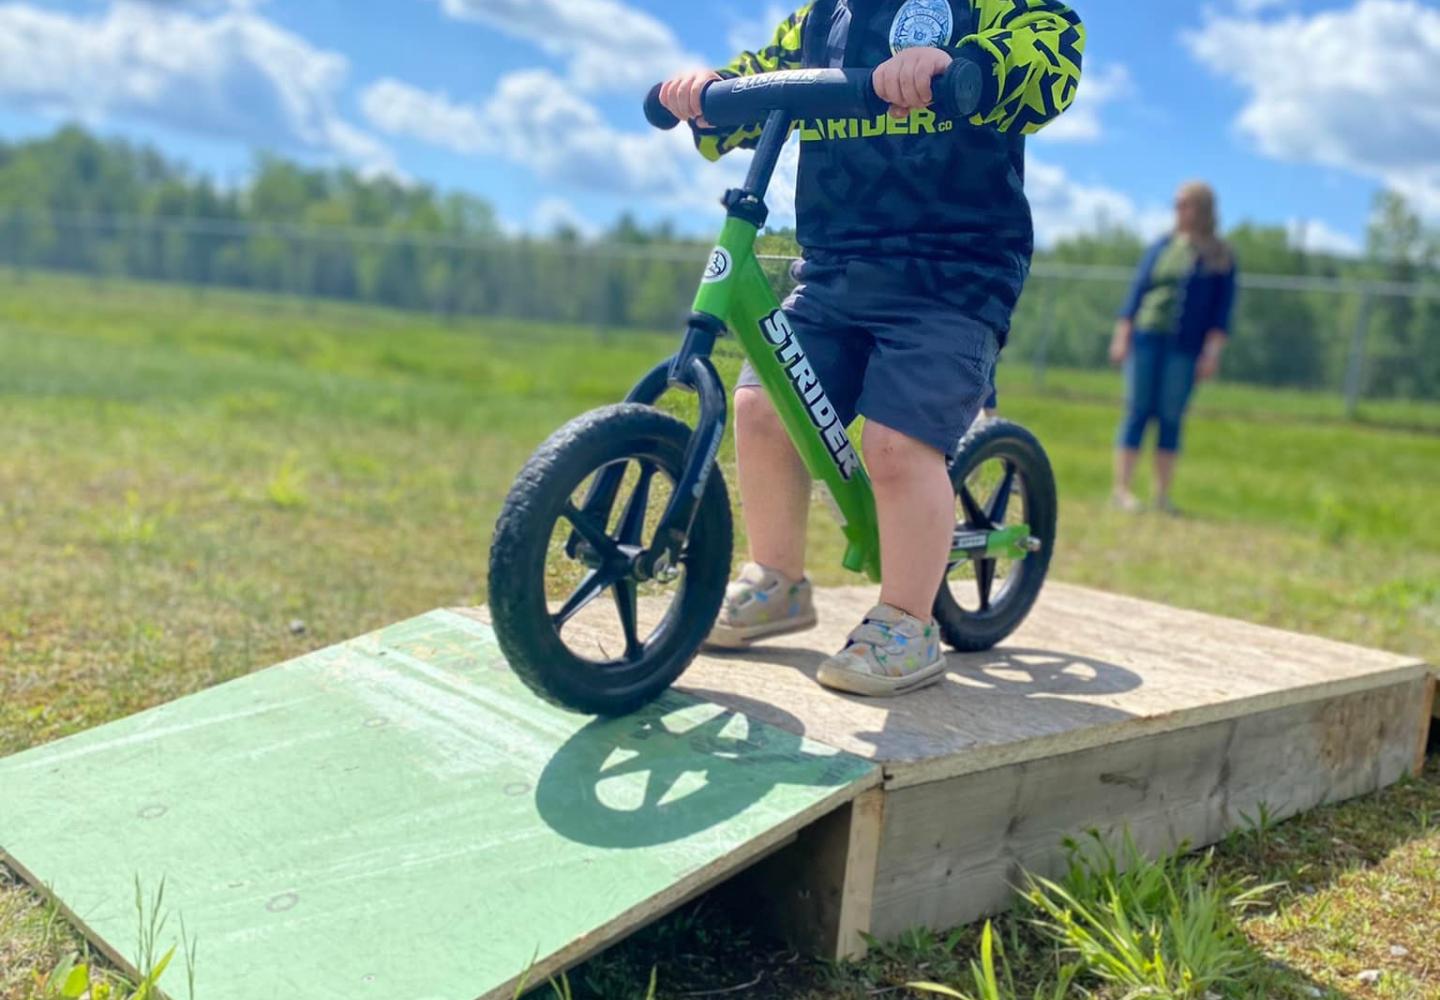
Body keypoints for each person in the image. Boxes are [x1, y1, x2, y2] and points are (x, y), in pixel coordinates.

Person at [657, 0, 1084, 696]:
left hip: (952, 274)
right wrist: (707, 95)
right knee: (765, 409)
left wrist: (963, 65)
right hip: (837, 265)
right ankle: (778, 578)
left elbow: (1051, 52)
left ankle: (909, 621)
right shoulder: (821, 18)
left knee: (895, 445)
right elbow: (764, 76)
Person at [1109, 182, 1237, 514]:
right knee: (1137, 411)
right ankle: (1121, 490)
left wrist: (1212, 353)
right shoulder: (1161, 247)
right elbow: (1137, 295)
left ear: (1203, 209)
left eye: (1185, 205)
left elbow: (1222, 312)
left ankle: (1162, 496)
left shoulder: (1220, 255)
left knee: (1170, 416)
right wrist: (1122, 336)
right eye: (1176, 204)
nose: (1178, 211)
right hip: (1146, 338)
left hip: (1185, 346)